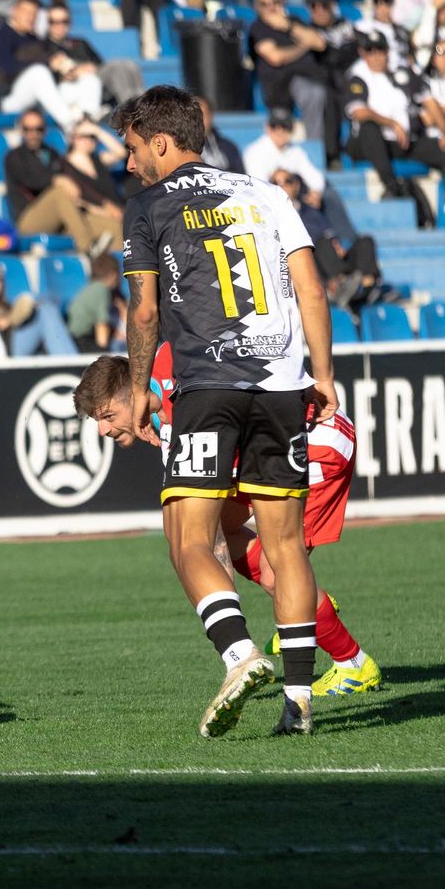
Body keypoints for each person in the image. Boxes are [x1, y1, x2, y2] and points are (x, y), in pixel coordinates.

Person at [114, 84, 338, 737]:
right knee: (286, 544)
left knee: (188, 538)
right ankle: (298, 702)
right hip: (282, 386)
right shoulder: (268, 194)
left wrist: (135, 390)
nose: (130, 164)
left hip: (207, 387)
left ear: (160, 141)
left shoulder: (147, 207)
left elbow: (146, 311)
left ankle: (240, 656)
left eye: (133, 149)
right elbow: (311, 289)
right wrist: (323, 376)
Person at [74, 349, 381, 697]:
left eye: (109, 415)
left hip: (314, 441)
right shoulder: (168, 413)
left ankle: (352, 662)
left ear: (136, 392)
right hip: (264, 451)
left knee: (273, 572)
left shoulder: (180, 387)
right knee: (212, 529)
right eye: (96, 420)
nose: (102, 429)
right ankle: (303, 602)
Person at [344, 31, 445, 222]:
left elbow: (429, 101)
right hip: (372, 143)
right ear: (363, 54)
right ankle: (391, 186)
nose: (375, 56)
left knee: (443, 148)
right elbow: (359, 112)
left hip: (403, 140)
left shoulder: (402, 74)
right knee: (368, 128)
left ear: (387, 52)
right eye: (370, 51)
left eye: (379, 50)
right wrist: (392, 123)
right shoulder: (357, 77)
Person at [5, 108, 120, 257]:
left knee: (112, 225)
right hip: (28, 221)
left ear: (45, 130)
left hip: (61, 219)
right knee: (59, 193)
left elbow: (76, 184)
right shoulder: (14, 157)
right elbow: (31, 180)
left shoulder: (52, 153)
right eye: (28, 129)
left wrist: (102, 205)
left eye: (38, 129)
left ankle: (123, 273)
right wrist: (57, 179)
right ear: (21, 130)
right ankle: (89, 249)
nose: (33, 134)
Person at [273, 168, 394, 306]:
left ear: (296, 185)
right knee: (320, 243)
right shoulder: (274, 216)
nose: (282, 186)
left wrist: (336, 244)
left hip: (333, 257)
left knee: (365, 241)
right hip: (312, 263)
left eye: (287, 181)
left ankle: (367, 289)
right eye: (276, 183)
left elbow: (328, 231)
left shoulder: (309, 210)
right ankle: (341, 287)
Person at [242, 106, 358, 245]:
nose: (280, 131)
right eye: (275, 126)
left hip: (296, 199)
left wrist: (316, 192)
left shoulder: (294, 151)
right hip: (270, 204)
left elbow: (315, 177)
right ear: (267, 128)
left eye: (285, 127)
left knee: (328, 193)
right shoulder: (255, 152)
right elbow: (259, 189)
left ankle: (346, 242)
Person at [247, 0, 336, 166]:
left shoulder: (294, 21)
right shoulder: (258, 28)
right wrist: (303, 46)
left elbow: (319, 43)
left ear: (282, 2)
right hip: (279, 87)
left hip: (308, 78)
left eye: (275, 2)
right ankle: (314, 155)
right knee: (313, 94)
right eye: (265, 4)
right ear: (257, 7)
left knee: (320, 92)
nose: (271, 7)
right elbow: (276, 57)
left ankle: (319, 153)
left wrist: (288, 26)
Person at [0, 0, 98, 132]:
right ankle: (72, 126)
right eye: (26, 11)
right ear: (15, 11)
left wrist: (65, 72)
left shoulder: (33, 38)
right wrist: (48, 65)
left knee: (88, 79)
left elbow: (47, 70)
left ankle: (89, 124)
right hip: (9, 98)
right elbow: (6, 69)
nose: (30, 17)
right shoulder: (2, 36)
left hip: (38, 98)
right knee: (38, 73)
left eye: (34, 13)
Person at [65, 252, 121, 352]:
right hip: (81, 340)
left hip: (75, 337)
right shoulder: (102, 290)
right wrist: (104, 353)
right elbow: (102, 326)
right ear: (113, 275)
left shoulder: (91, 287)